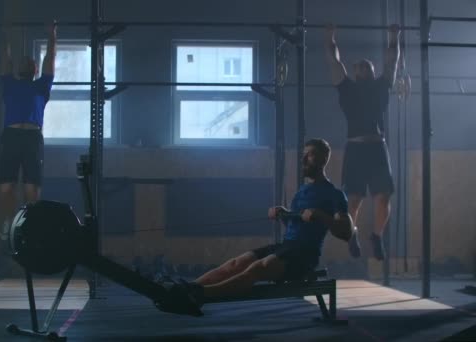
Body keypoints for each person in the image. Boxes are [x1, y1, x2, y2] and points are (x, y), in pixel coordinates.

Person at [160, 139, 354, 315]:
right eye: (303, 154)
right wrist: (283, 213)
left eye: (309, 154)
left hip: (305, 255)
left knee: (261, 267)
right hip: (287, 245)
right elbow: (297, 223)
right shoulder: (303, 190)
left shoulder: (334, 194)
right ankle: (188, 288)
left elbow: (346, 232)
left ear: (323, 158)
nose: (303, 159)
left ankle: (200, 294)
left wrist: (321, 215)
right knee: (237, 262)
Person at [324, 24, 401, 261]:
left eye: (367, 65)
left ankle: (377, 236)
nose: (363, 67)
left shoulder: (381, 86)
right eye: (360, 66)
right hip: (356, 148)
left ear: (372, 70)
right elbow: (334, 61)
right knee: (354, 200)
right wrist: (330, 36)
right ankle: (353, 233)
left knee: (383, 196)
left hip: (378, 146)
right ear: (355, 73)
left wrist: (394, 36)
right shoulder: (346, 87)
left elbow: (392, 61)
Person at [0, 21, 57, 241]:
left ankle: (31, 227)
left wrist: (52, 37)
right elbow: (5, 59)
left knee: (32, 189)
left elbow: (50, 60)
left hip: (32, 138)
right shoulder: (9, 83)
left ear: (35, 70)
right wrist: (4, 38)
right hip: (12, 136)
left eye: (31, 62)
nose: (27, 62)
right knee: (6, 187)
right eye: (23, 61)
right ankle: (8, 224)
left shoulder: (41, 86)